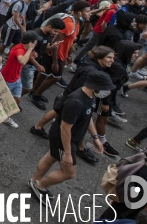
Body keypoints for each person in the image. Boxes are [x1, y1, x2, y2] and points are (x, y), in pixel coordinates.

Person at [28, 71, 111, 202]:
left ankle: (34, 181)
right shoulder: (76, 102)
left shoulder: (90, 96)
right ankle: (40, 185)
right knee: (69, 173)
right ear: (96, 86)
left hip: (66, 138)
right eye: (106, 88)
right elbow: (65, 128)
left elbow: (88, 118)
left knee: (51, 156)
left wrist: (96, 138)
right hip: (64, 140)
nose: (108, 91)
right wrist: (67, 153)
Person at [30, 1, 91, 110]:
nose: (90, 13)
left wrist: (68, 54)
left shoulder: (77, 23)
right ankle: (36, 95)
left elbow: (70, 41)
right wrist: (54, 61)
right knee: (56, 78)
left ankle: (34, 91)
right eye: (87, 11)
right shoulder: (69, 23)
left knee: (44, 73)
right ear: (79, 13)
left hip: (61, 55)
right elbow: (55, 42)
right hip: (54, 54)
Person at [0, 31, 39, 126]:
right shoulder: (20, 49)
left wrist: (30, 56)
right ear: (30, 42)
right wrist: (30, 50)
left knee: (17, 99)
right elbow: (22, 61)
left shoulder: (24, 49)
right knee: (1, 99)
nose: (36, 43)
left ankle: (5, 116)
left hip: (16, 78)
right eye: (35, 42)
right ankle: (0, 116)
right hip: (8, 78)